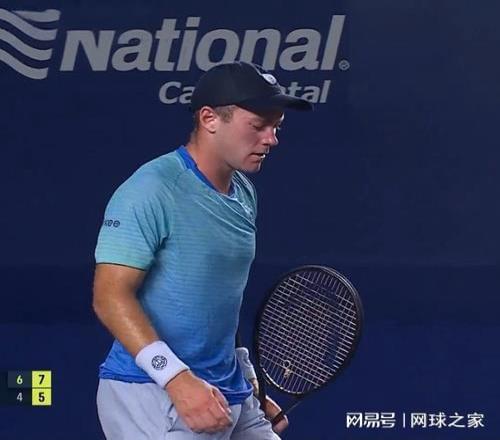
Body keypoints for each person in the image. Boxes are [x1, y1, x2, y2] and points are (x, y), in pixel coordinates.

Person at [92, 61, 313, 439]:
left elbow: (216, 303)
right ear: (209, 119)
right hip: (153, 394)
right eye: (258, 125)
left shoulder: (244, 193)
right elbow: (109, 298)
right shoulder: (150, 190)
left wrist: (248, 382)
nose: (271, 139)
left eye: (276, 127)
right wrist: (176, 379)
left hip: (229, 391)